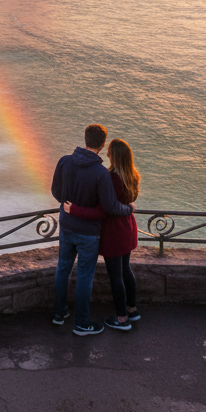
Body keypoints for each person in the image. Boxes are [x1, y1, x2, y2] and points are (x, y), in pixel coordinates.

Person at [51, 123, 134, 336]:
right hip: (88, 233)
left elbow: (56, 192)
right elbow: (109, 208)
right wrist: (128, 209)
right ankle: (81, 324)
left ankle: (59, 314)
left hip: (67, 226)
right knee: (85, 276)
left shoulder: (64, 161)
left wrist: (68, 206)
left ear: (85, 138)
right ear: (103, 144)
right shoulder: (100, 173)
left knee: (62, 269)